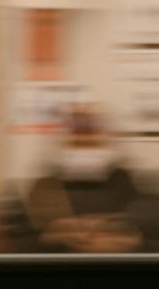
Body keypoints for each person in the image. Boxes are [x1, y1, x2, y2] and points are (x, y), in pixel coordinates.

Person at [18, 105, 149, 254]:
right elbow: (34, 239)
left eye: (90, 138)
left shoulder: (124, 182)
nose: (84, 146)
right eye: (76, 139)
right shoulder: (45, 186)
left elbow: (136, 231)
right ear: (63, 140)